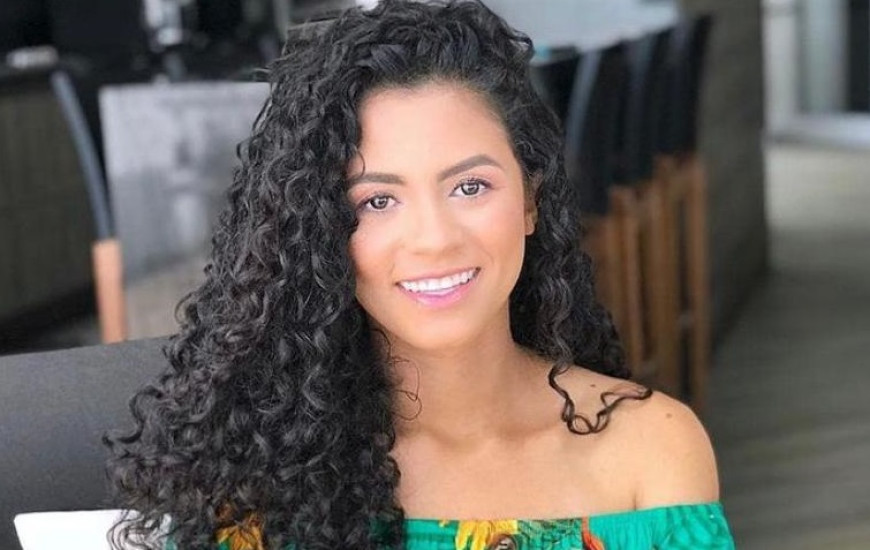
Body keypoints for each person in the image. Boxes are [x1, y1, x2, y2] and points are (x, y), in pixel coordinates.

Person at [105, 1, 736, 548]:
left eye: (470, 186)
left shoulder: (650, 452)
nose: (435, 239)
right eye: (377, 201)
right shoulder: (252, 473)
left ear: (530, 201)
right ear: (320, 231)